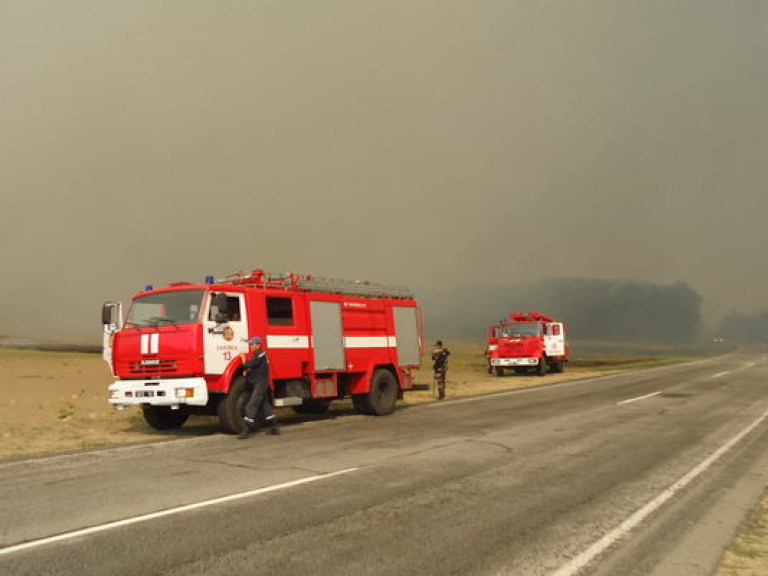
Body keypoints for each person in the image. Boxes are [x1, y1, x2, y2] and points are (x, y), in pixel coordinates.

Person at [238, 336, 280, 439]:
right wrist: (248, 371)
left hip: (260, 384)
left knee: (252, 405)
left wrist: (243, 358)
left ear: (259, 345)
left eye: (252, 344)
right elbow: (256, 367)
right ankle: (274, 427)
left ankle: (246, 429)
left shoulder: (261, 355)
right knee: (265, 405)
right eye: (250, 344)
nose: (251, 346)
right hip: (261, 383)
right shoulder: (259, 355)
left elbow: (248, 364)